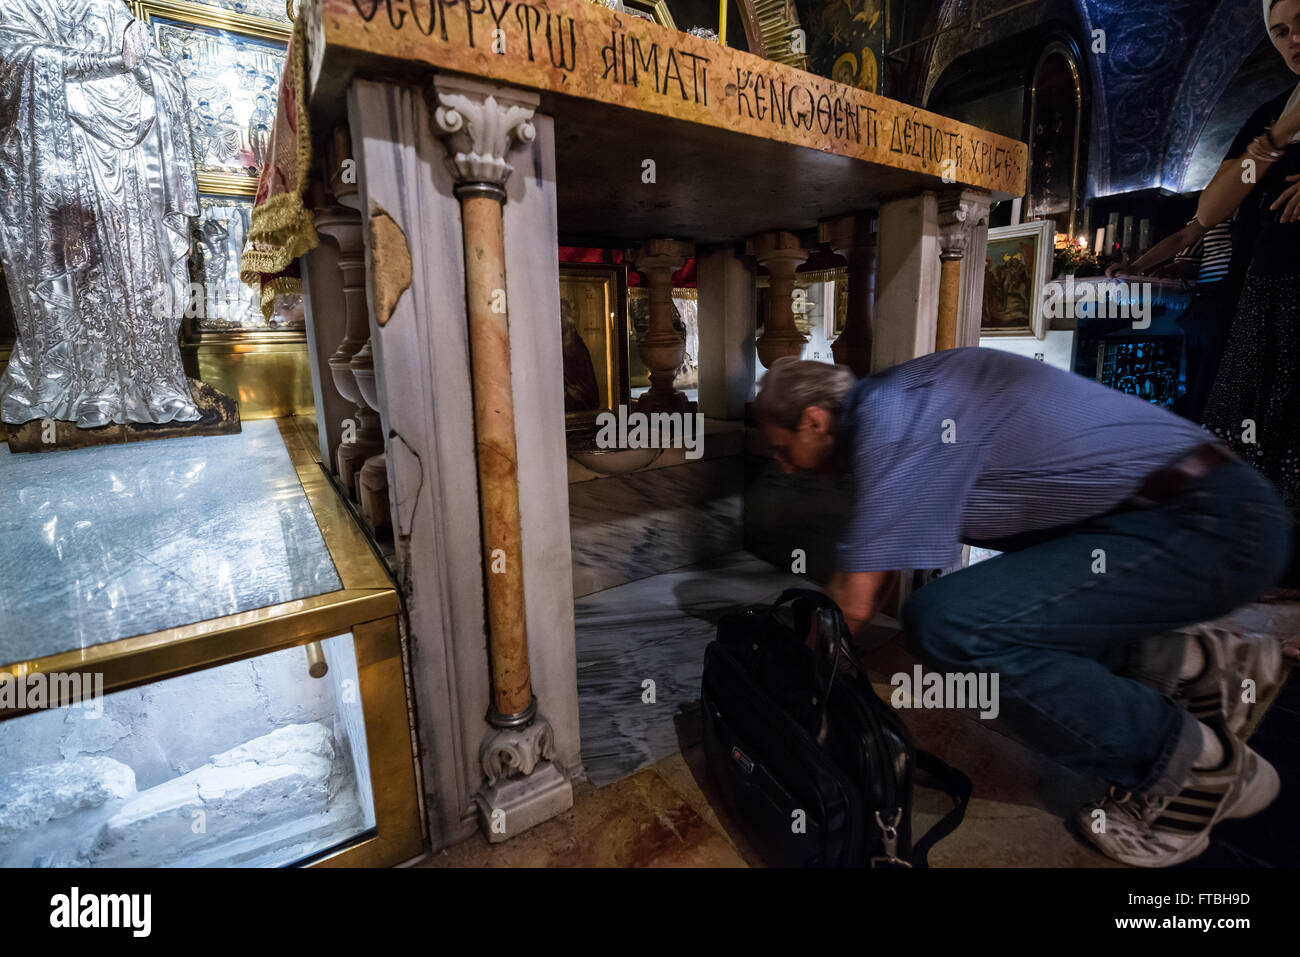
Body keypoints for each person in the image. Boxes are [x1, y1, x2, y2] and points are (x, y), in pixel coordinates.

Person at [754, 349, 1291, 867]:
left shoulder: (891, 415)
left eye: (781, 450)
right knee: (1002, 604)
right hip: (1195, 515)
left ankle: (1194, 773)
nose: (786, 467)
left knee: (951, 624)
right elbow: (877, 555)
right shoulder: (897, 403)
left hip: (1212, 525)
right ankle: (1195, 666)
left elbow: (858, 597)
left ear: (814, 421)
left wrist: (790, 697)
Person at [0, 1, 200, 427]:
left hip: (130, 155)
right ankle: (90, 385)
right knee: (81, 270)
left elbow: (160, 71)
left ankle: (152, 381)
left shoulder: (109, 7)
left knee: (140, 269)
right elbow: (13, 63)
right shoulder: (17, 6)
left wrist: (139, 67)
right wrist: (107, 62)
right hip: (63, 154)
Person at [1199, 0, 1300, 592]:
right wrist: (1278, 136)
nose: (1293, 39)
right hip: (1267, 305)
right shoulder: (1270, 115)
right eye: (1280, 31)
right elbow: (1212, 209)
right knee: (1253, 478)